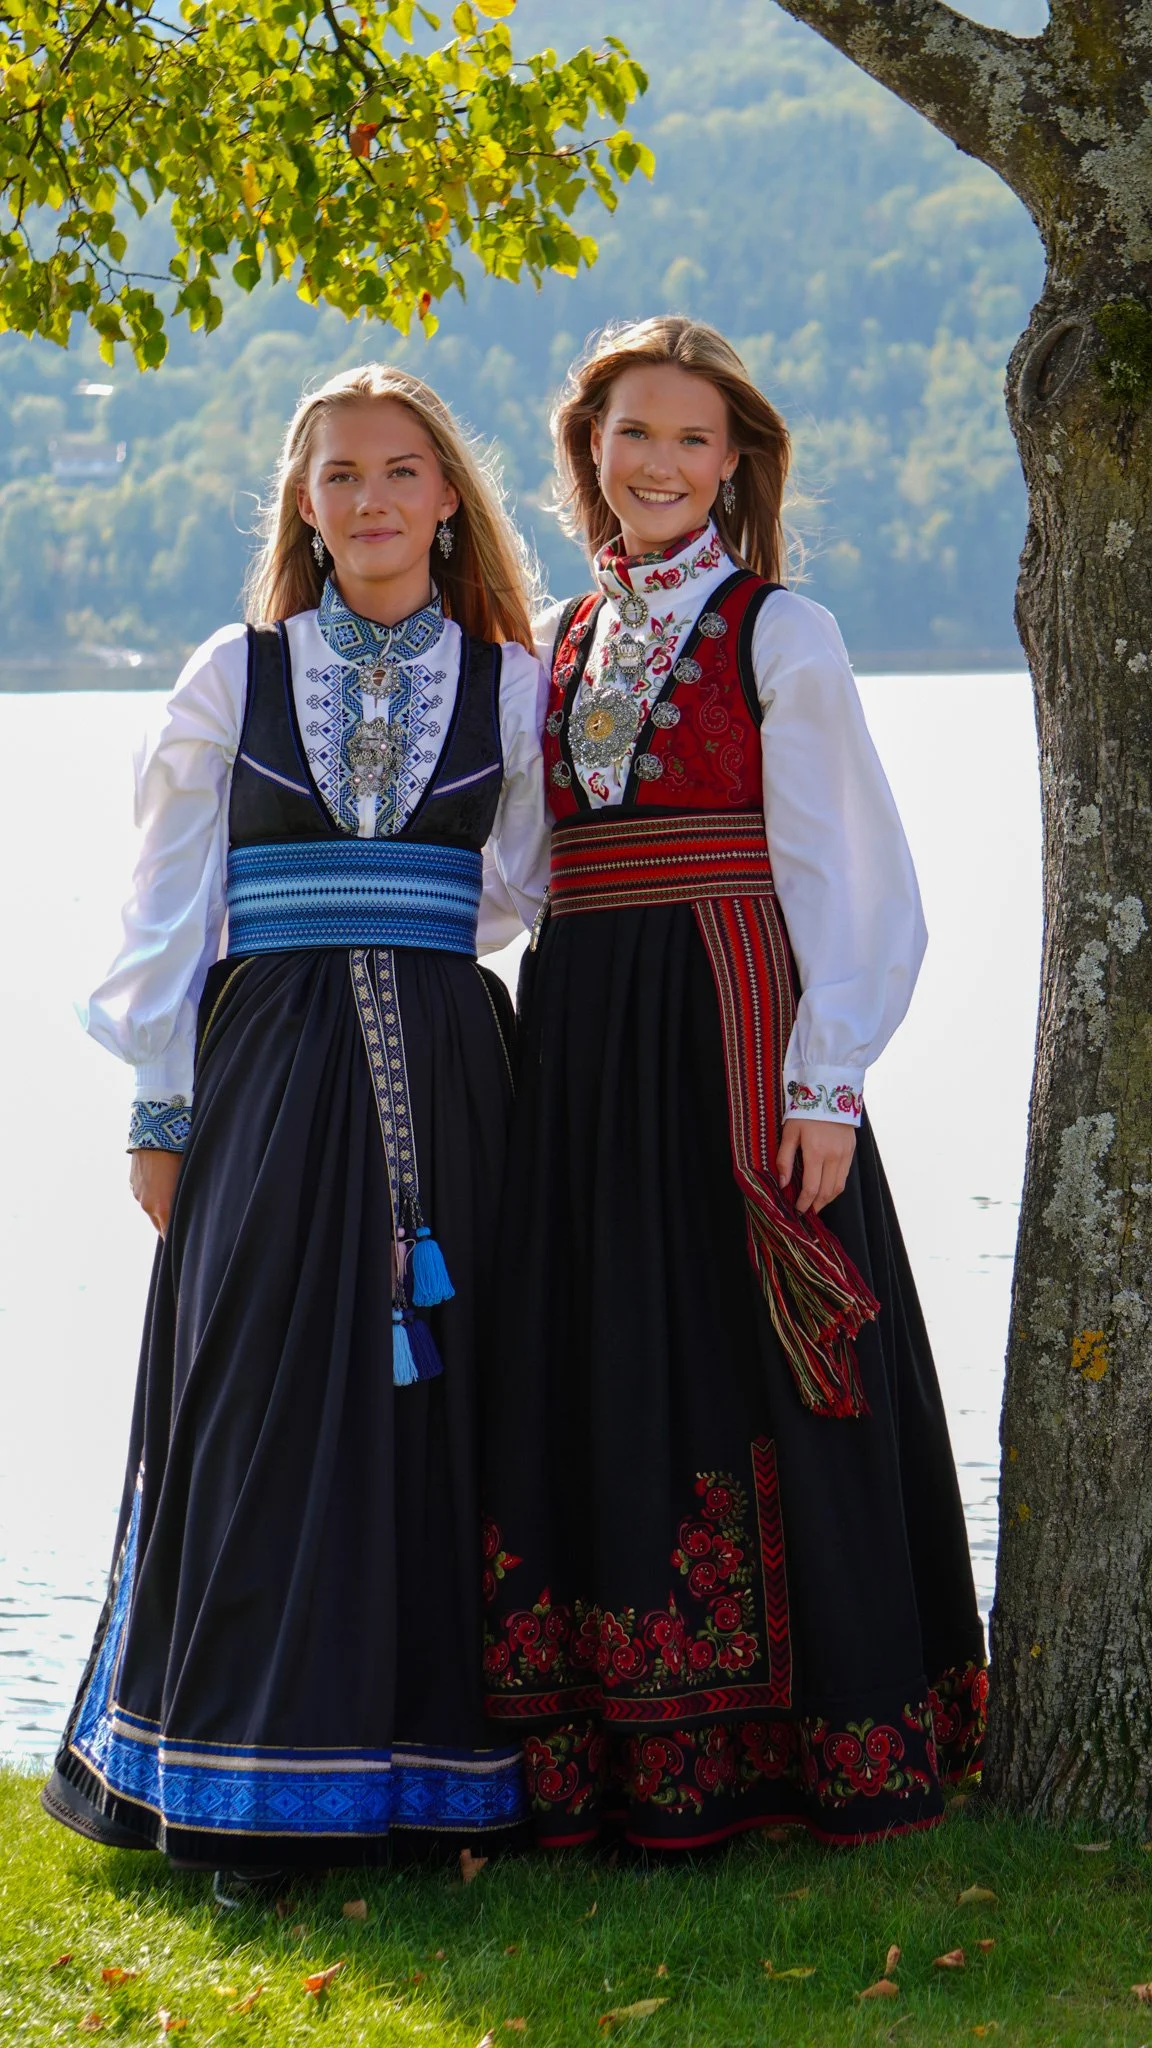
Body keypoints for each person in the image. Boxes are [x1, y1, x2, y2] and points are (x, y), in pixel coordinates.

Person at [482, 316, 987, 1852]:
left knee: (767, 1351)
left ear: (735, 465)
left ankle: (817, 1746)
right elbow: (514, 872)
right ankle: (626, 1754)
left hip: (732, 1024)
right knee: (607, 1350)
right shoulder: (553, 645)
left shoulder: (785, 630)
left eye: (693, 440)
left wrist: (825, 1081)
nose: (660, 464)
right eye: (634, 433)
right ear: (589, 453)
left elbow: (855, 874)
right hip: (579, 1031)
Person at [42, 364, 550, 1892]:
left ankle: (431, 1793)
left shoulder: (512, 683)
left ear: (450, 498)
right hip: (264, 1071)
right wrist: (158, 1106)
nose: (375, 499)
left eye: (404, 471)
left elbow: (518, 888)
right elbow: (168, 904)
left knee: (434, 1417)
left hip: (454, 1081)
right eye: (342, 476)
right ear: (304, 504)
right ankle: (243, 1796)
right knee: (258, 1397)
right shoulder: (232, 673)